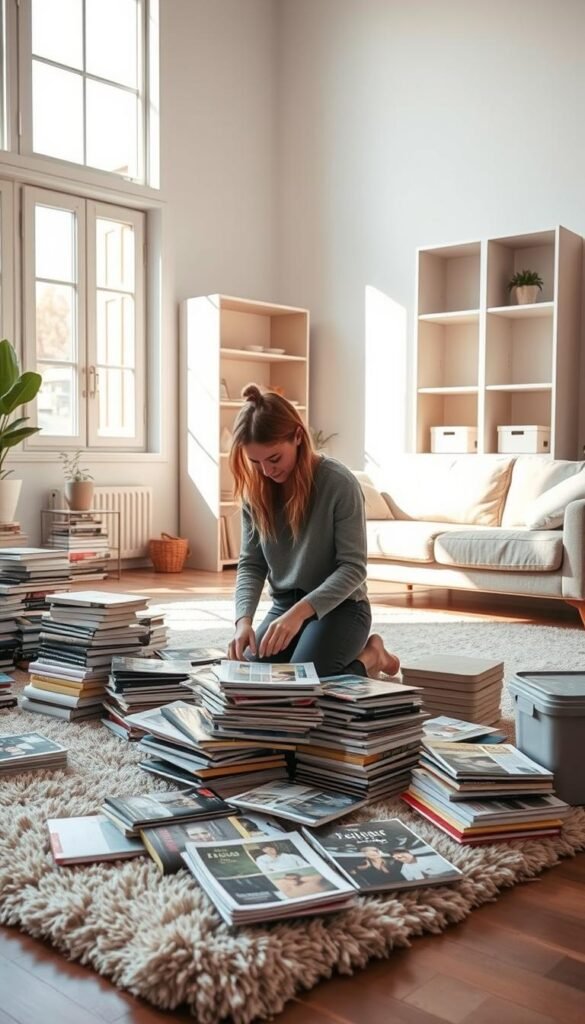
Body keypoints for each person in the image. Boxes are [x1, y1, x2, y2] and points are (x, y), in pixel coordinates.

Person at [227, 384, 400, 678]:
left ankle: (372, 656)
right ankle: (363, 657)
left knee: (302, 687)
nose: (267, 472)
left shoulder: (339, 483)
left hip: (342, 608)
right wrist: (243, 621)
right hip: (284, 607)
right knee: (253, 684)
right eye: (255, 462)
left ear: (297, 436)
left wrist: (299, 614)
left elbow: (353, 568)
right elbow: (251, 564)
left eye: (274, 458)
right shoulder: (255, 492)